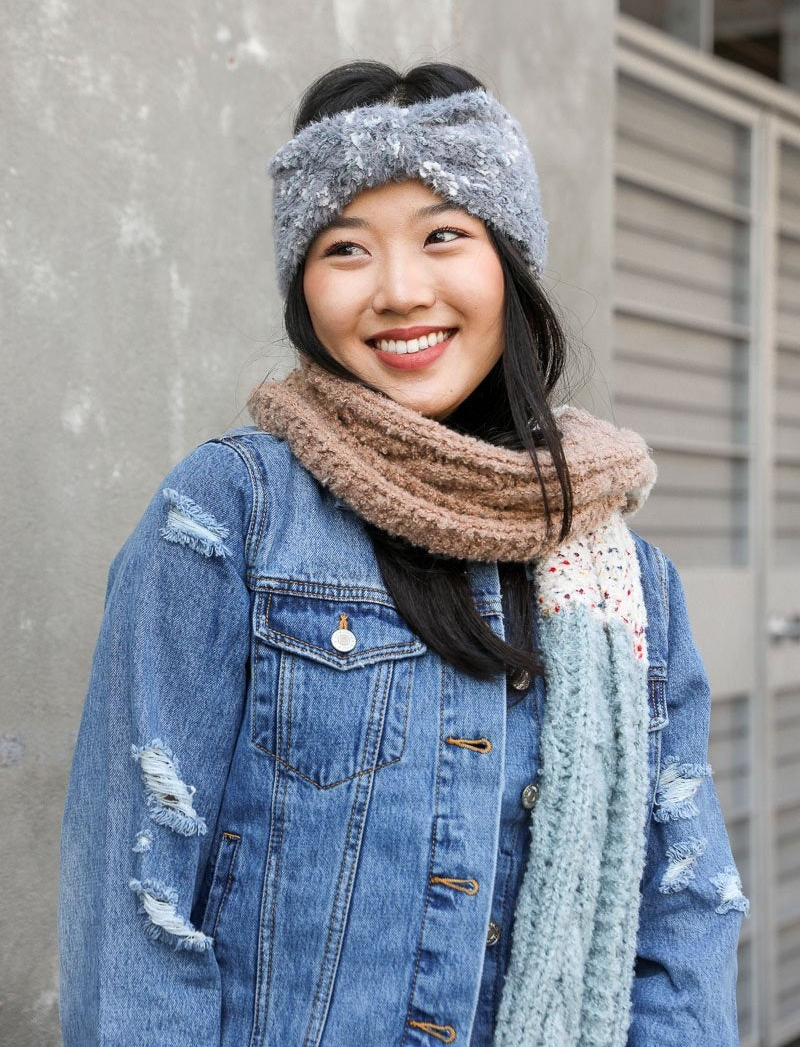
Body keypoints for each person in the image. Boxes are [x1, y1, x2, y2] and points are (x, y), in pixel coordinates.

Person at [58, 60, 750, 1047]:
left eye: (441, 235)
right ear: (302, 284)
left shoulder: (627, 580)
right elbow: (134, 920)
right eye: (344, 247)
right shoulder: (229, 517)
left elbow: (680, 917)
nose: (397, 290)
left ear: (506, 262)